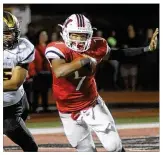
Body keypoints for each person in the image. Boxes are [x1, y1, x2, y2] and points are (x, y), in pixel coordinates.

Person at [45, 14, 158, 152]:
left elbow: (119, 54)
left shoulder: (97, 46)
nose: (79, 40)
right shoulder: (58, 49)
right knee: (86, 150)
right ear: (65, 33)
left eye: (83, 36)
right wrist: (84, 60)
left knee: (114, 146)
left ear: (90, 35)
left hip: (91, 103)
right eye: (75, 35)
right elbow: (60, 71)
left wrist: (146, 49)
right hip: (67, 110)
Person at [3, 11, 38, 152]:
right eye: (5, 33)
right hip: (4, 111)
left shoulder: (23, 47)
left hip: (18, 99)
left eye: (12, 32)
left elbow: (15, 83)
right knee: (30, 146)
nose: (10, 37)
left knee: (29, 146)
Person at [28, 29, 52, 113]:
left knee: (45, 91)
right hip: (38, 73)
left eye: (45, 35)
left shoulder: (49, 47)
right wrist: (32, 73)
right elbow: (32, 61)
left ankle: (45, 107)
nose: (44, 37)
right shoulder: (35, 48)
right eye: (42, 35)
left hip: (47, 73)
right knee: (36, 91)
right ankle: (34, 108)